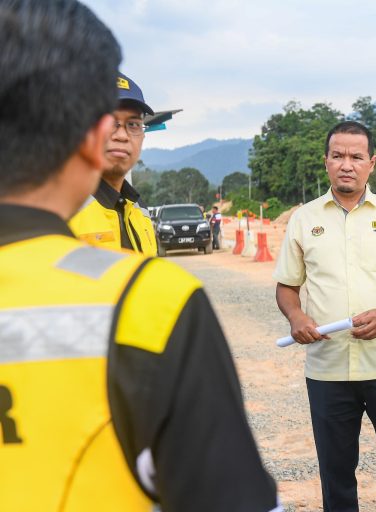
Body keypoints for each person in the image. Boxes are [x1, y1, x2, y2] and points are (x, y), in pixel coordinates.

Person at [0, 2, 280, 511]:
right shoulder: (159, 301)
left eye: (136, 125)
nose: (123, 135)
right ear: (90, 136)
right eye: (113, 123)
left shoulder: (143, 223)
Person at [273, 121, 376, 511]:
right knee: (336, 473)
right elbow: (286, 287)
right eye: (338, 156)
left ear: (371, 163)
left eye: (356, 156)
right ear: (326, 161)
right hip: (328, 370)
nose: (347, 164)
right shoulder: (303, 219)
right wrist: (295, 317)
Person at [68, 71, 157, 255]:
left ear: (143, 135)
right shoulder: (60, 210)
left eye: (133, 124)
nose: (122, 135)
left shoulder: (140, 210)